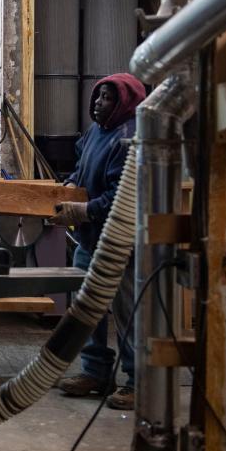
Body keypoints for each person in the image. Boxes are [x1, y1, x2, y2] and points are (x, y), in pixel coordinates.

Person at [50, 73, 146, 411]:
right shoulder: (97, 131)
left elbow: (121, 196)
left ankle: (138, 383)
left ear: (124, 102)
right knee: (86, 309)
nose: (97, 103)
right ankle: (96, 373)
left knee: (127, 313)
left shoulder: (129, 138)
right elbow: (81, 167)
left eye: (106, 98)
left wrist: (81, 209)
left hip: (121, 243)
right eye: (97, 97)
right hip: (91, 239)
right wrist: (69, 186)